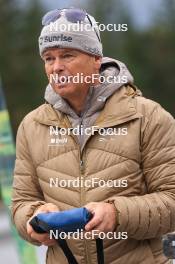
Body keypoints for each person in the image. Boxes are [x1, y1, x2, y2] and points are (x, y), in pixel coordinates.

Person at [11, 7, 175, 264]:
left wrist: (117, 214)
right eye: (48, 58)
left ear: (96, 59)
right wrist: (33, 217)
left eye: (67, 55)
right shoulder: (32, 126)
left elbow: (172, 201)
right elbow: (22, 202)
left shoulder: (149, 117)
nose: (56, 67)